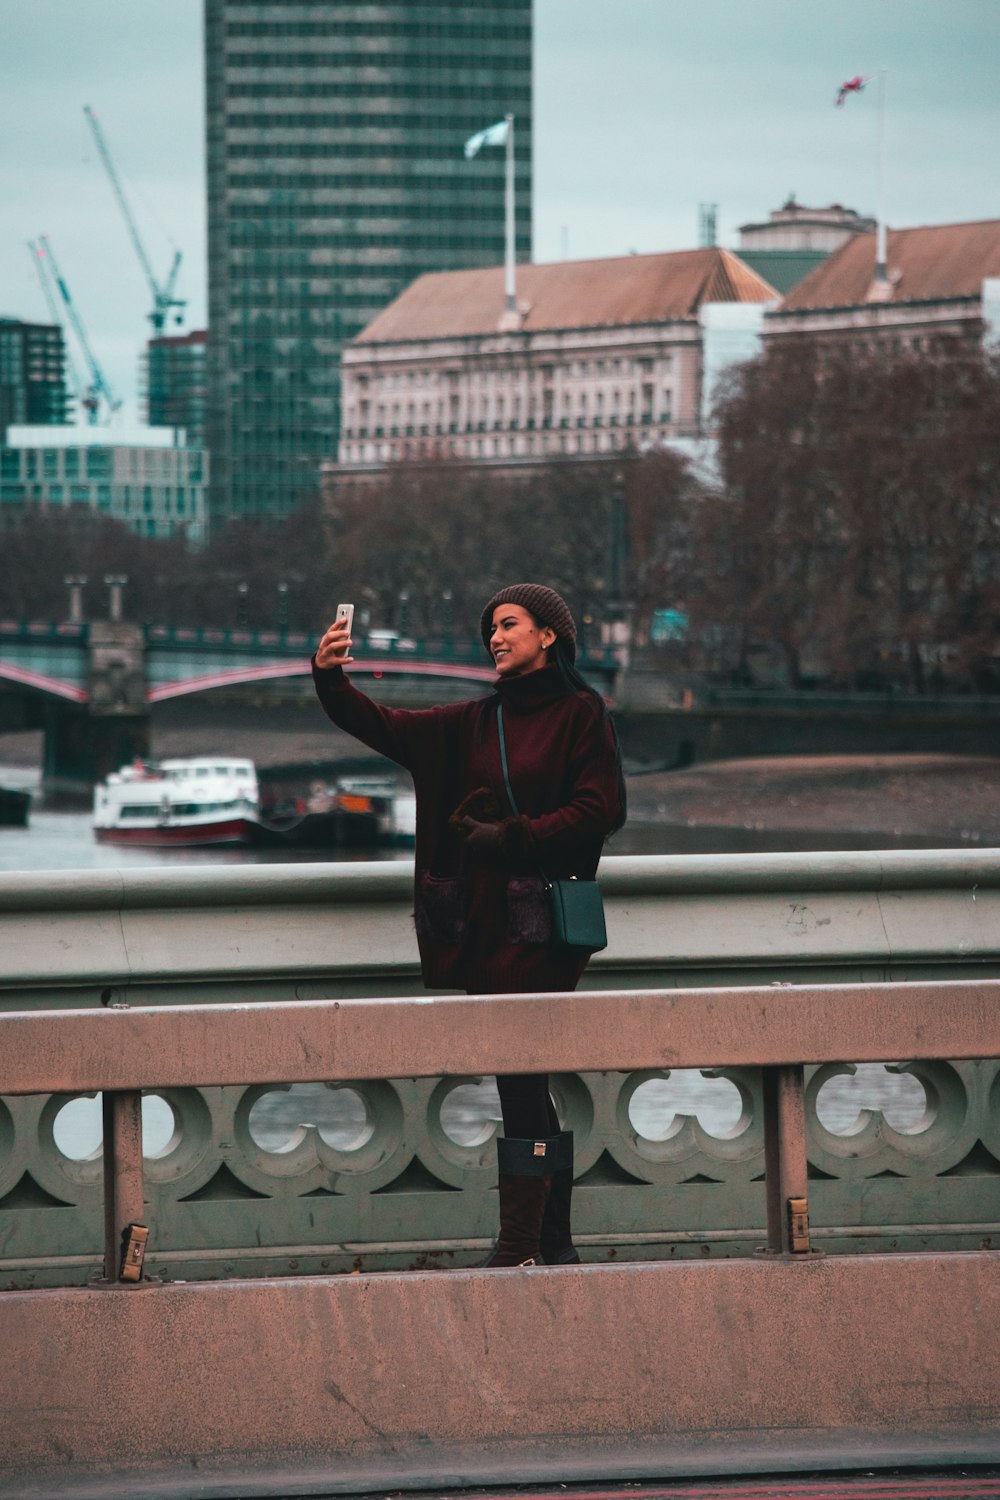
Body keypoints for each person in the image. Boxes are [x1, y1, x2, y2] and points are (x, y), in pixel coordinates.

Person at [313, 583, 626, 1267]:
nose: (495, 636)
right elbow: (382, 726)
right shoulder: (473, 722)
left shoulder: (582, 713)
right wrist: (329, 674)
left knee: (520, 1071)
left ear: (549, 636)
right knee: (525, 1075)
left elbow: (599, 811)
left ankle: (521, 1243)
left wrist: (508, 837)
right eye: (489, 628)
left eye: (509, 624)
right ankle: (551, 1242)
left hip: (544, 925)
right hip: (488, 925)